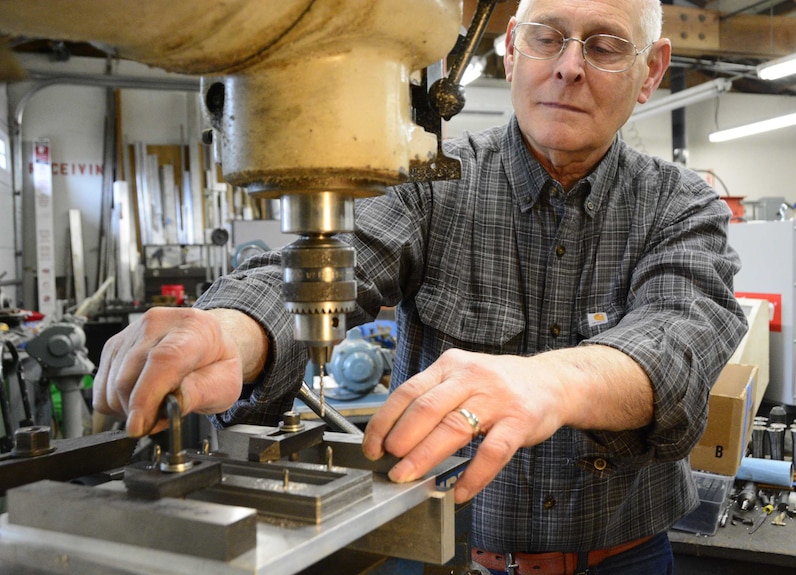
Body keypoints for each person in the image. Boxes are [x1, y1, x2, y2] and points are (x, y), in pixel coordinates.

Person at [94, 0, 747, 573]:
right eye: (547, 38)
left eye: (604, 46)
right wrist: (231, 331)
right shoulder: (431, 183)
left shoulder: (682, 206)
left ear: (652, 69)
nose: (569, 66)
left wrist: (550, 383)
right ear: (512, 47)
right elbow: (335, 263)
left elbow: (679, 342)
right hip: (446, 556)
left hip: (623, 560)